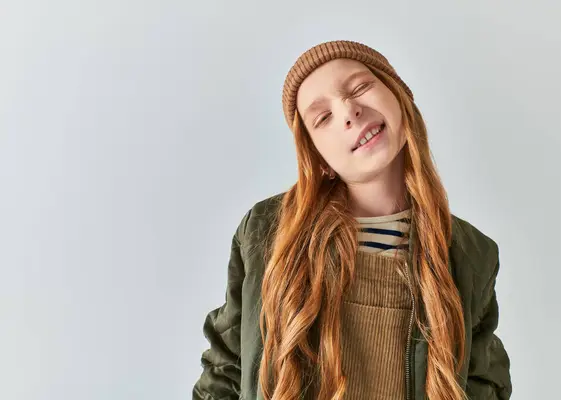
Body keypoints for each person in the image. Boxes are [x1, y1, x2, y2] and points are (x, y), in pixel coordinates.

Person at [193, 40, 512, 400]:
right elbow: (225, 372)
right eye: (323, 117)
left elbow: (485, 385)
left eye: (360, 87)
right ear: (318, 157)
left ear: (400, 99)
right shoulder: (266, 232)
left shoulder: (471, 254)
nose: (349, 110)